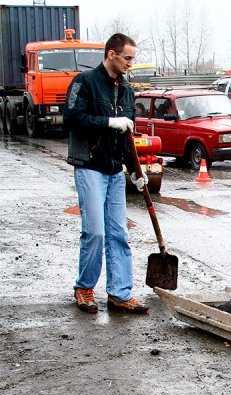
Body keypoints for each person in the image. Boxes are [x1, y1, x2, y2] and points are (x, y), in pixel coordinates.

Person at [64, 33, 149, 315]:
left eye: (132, 59)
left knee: (119, 234)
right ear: (111, 54)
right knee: (95, 232)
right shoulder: (85, 82)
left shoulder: (126, 90)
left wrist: (136, 172)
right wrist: (110, 122)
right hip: (89, 166)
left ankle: (119, 294)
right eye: (127, 58)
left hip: (114, 170)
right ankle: (85, 287)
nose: (130, 64)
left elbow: (127, 135)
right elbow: (73, 118)